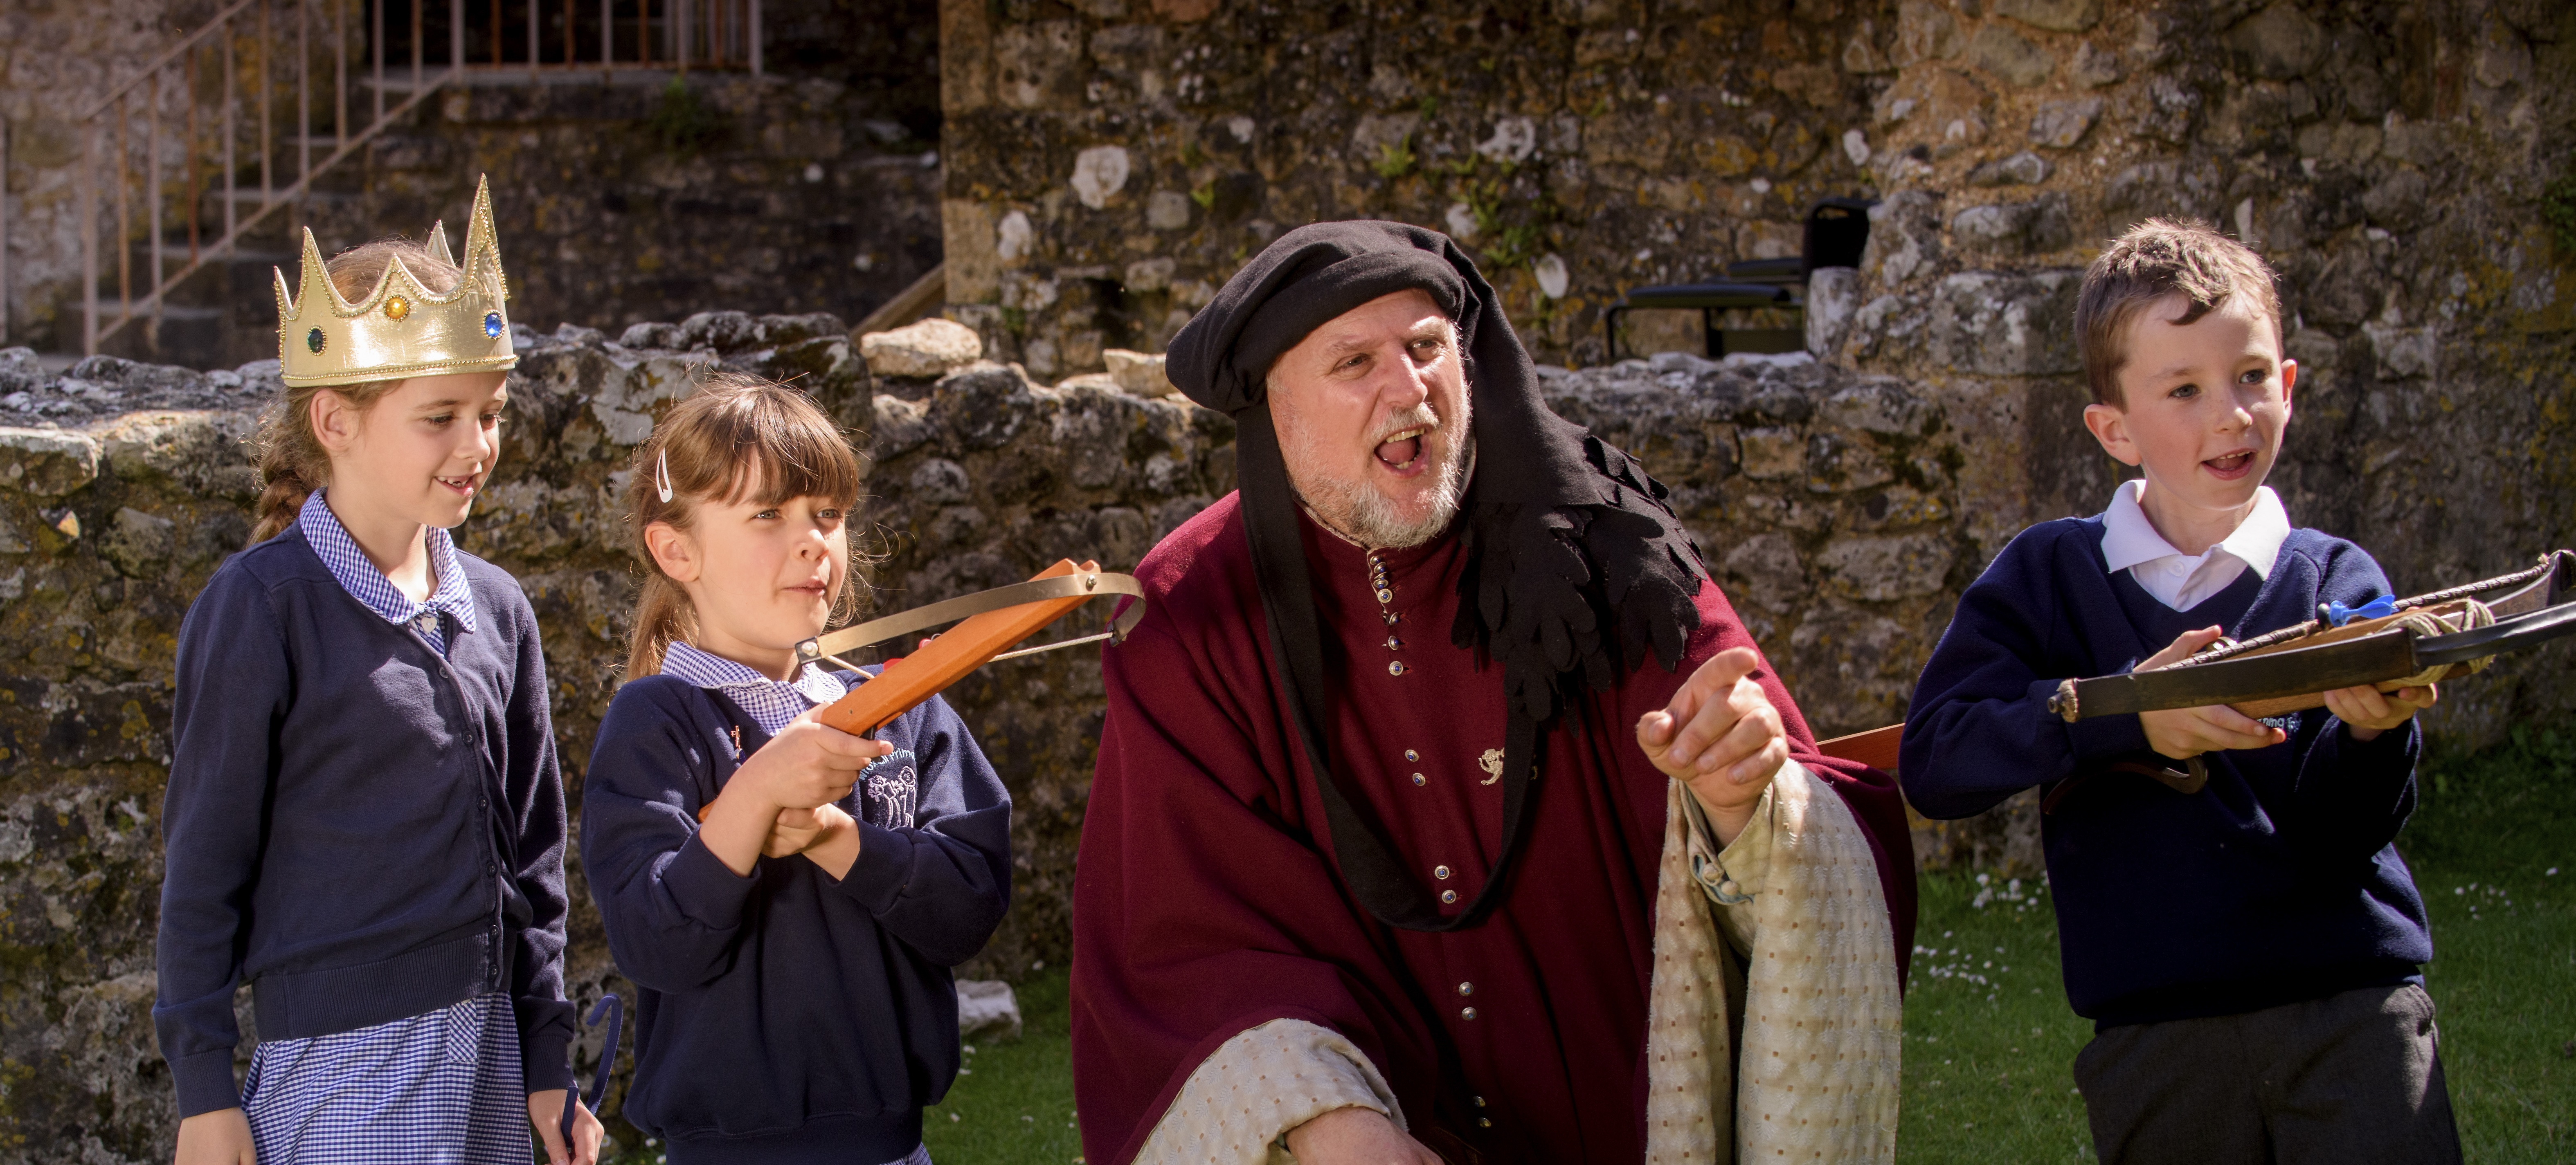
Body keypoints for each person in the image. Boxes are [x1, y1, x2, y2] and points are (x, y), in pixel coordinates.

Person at [1069, 222, 1916, 1165]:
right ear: (1274, 406)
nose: (1409, 388)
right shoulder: (1190, 619)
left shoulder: (1603, 549)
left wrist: (1739, 806)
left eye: (1427, 346)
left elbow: (1794, 795)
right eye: (1354, 362)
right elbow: (1182, 941)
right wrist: (1324, 1123)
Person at [1901, 218, 2460, 1163]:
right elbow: (1937, 759)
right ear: (2113, 429)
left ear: (2286, 386)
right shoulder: (2046, 576)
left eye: (2249, 378)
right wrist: (2122, 713)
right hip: (2157, 1039)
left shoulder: (2335, 578)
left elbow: (2346, 830)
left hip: (2349, 1016)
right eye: (2184, 390)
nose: (2229, 415)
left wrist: (2371, 737)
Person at [154, 180, 600, 1165]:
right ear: (334, 422)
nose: (477, 445)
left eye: (489, 413)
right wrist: (203, 1090)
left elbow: (533, 864)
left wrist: (545, 1060)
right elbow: (203, 866)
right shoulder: (261, 609)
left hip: (492, 1054)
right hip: (344, 1067)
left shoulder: (498, 609)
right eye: (439, 416)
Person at [580, 375, 1012, 1165]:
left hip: (891, 1148)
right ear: (677, 549)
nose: (813, 539)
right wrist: (754, 796)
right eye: (768, 514)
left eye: (827, 514)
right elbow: (657, 944)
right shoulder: (655, 721)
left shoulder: (901, 707)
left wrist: (833, 835)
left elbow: (970, 909)